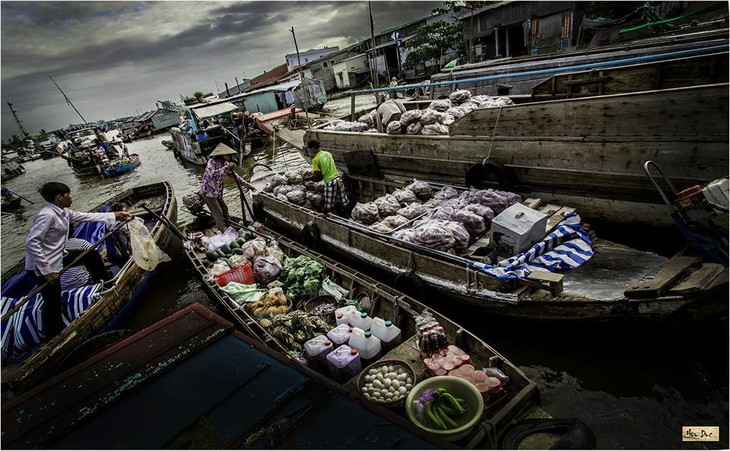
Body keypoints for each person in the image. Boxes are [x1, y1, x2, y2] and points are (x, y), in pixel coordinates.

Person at [25, 182, 131, 341]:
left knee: (91, 256)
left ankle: (106, 283)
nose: (71, 197)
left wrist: (115, 215)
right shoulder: (47, 215)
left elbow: (87, 216)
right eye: (68, 194)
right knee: (52, 300)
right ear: (59, 197)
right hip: (41, 266)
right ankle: (55, 337)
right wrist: (47, 272)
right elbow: (32, 243)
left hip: (58, 257)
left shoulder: (63, 212)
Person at [199, 143, 256, 231]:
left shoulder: (225, 163)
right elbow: (211, 174)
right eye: (228, 155)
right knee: (218, 213)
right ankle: (221, 232)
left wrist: (248, 186)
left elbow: (235, 177)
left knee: (224, 209)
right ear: (222, 155)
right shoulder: (212, 162)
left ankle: (229, 226)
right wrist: (226, 167)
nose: (230, 156)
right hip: (208, 192)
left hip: (217, 192)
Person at [305, 138, 350, 214]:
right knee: (344, 201)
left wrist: (308, 178)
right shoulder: (328, 154)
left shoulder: (315, 160)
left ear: (312, 148)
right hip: (338, 179)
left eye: (309, 149)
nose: (310, 151)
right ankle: (348, 216)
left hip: (330, 182)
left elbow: (317, 175)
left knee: (329, 205)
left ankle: (330, 219)